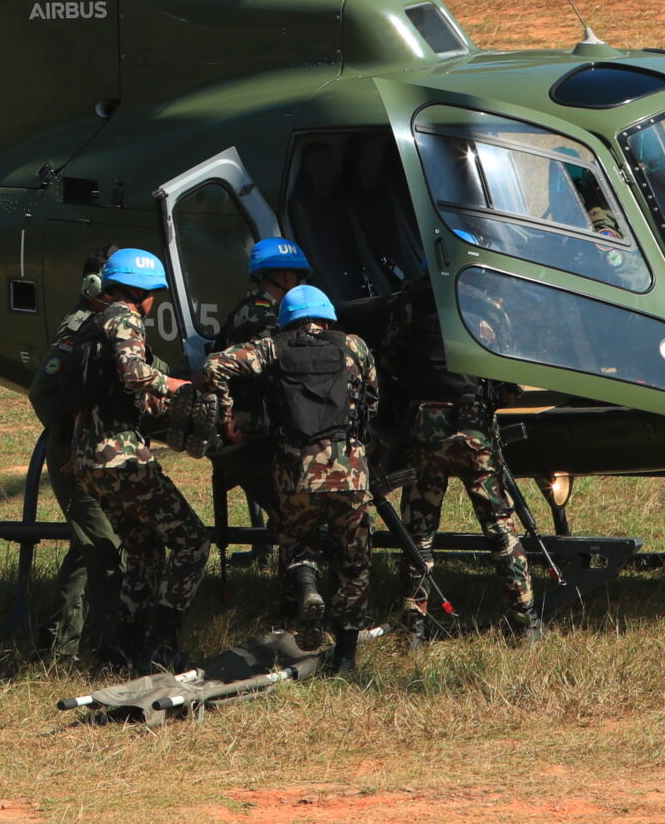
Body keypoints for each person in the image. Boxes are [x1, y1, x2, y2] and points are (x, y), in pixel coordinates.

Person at [205, 283, 379, 676]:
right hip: (349, 471)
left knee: (295, 539)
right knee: (354, 564)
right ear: (327, 314)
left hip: (296, 471)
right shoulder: (355, 346)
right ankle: (346, 658)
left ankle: (307, 587)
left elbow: (216, 365)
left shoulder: (273, 347)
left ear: (287, 320)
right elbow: (373, 401)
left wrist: (229, 414)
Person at [64, 247, 211, 674]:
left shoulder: (92, 324)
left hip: (89, 462)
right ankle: (162, 645)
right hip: (123, 459)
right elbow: (134, 373)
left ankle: (123, 651)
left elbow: (114, 392)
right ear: (141, 290)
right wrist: (180, 386)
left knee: (145, 550)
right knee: (192, 541)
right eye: (154, 294)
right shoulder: (125, 315)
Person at [381, 281, 540, 649]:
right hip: (474, 431)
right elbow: (509, 384)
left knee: (419, 532)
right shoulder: (487, 299)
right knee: (499, 528)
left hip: (425, 429)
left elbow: (389, 358)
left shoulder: (413, 297)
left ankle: (413, 630)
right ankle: (526, 622)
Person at [25, 266, 121, 658]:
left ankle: (63, 640)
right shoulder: (79, 331)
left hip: (99, 451)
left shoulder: (107, 326)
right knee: (100, 547)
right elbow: (44, 391)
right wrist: (69, 442)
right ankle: (86, 645)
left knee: (91, 548)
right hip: (76, 454)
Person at [210, 238, 315, 541]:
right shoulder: (262, 316)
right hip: (255, 420)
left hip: (262, 415)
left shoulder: (260, 309)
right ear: (283, 277)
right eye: (297, 278)